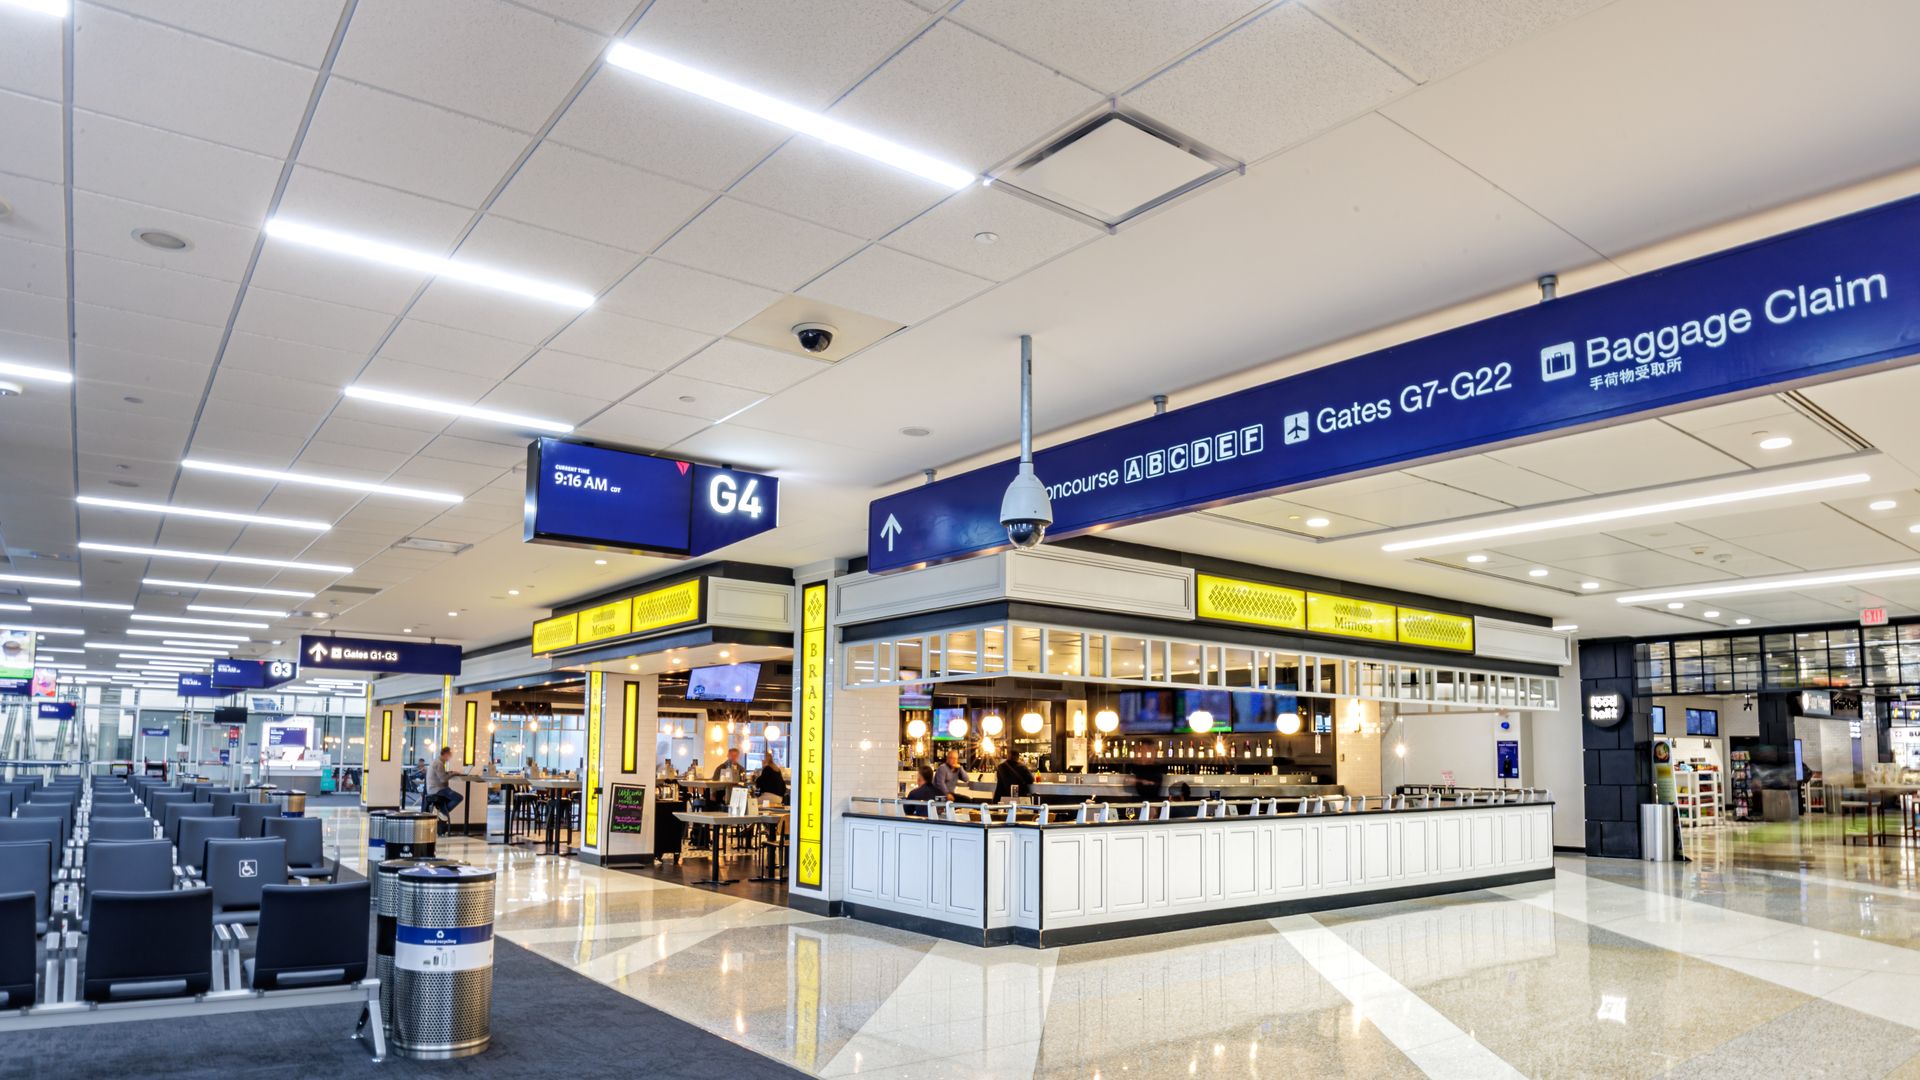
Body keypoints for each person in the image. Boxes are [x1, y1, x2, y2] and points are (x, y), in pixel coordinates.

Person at [423, 746, 466, 820]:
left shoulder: (437, 761)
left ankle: (442, 812)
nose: (450, 758)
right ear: (446, 754)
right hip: (437, 790)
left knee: (451, 797)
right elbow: (443, 779)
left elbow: (441, 775)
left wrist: (450, 773)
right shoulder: (438, 763)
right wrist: (453, 774)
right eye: (450, 755)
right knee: (458, 797)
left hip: (435, 789)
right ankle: (443, 813)